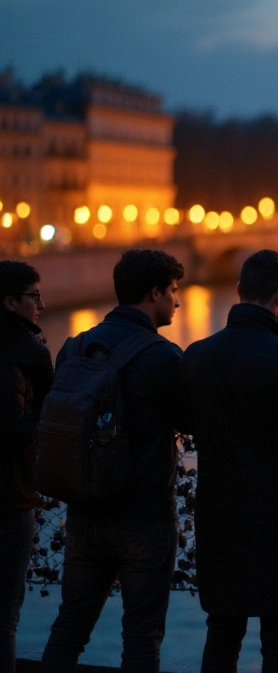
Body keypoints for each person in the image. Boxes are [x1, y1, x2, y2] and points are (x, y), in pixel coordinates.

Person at [181, 249, 278, 673]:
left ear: (238, 291)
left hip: (219, 517)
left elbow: (185, 422)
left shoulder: (196, 356)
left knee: (223, 632)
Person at [41, 250, 187, 672]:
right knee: (142, 635)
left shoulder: (76, 347)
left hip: (84, 511)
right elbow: (190, 420)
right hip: (144, 515)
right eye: (173, 292)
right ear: (154, 293)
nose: (177, 302)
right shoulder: (164, 357)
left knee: (69, 625)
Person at [0, 261, 52, 672]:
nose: (41, 304)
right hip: (12, 495)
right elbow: (42, 424)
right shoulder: (30, 353)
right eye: (34, 296)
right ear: (10, 302)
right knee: (5, 614)